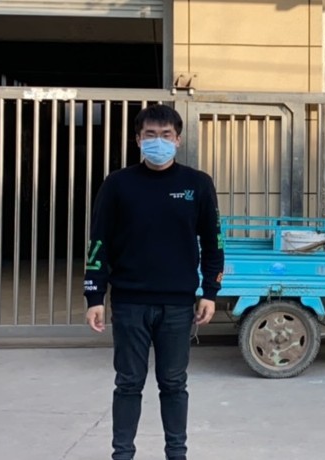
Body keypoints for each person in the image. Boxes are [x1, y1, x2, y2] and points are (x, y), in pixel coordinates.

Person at [83, 104, 224, 460]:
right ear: (138, 139)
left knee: (174, 383)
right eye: (150, 135)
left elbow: (214, 242)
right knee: (128, 383)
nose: (157, 141)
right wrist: (94, 295)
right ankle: (122, 454)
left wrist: (209, 291)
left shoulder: (197, 184)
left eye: (165, 135)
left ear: (178, 140)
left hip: (178, 304)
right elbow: (99, 241)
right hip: (129, 303)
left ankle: (177, 453)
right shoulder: (118, 184)